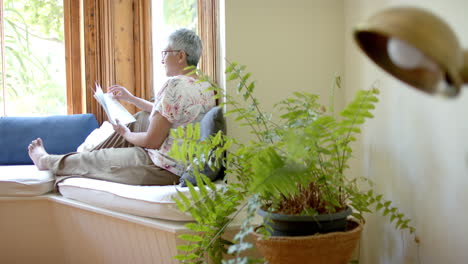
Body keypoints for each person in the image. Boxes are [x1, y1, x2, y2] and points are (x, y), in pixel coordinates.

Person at [28, 28, 215, 186]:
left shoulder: (174, 84)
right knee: (141, 117)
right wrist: (131, 98)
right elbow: (171, 112)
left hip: (163, 167)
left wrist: (126, 134)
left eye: (165, 53)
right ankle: (78, 157)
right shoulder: (204, 84)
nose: (162, 60)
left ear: (181, 56)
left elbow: (152, 141)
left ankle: (46, 161)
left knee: (97, 159)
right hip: (180, 162)